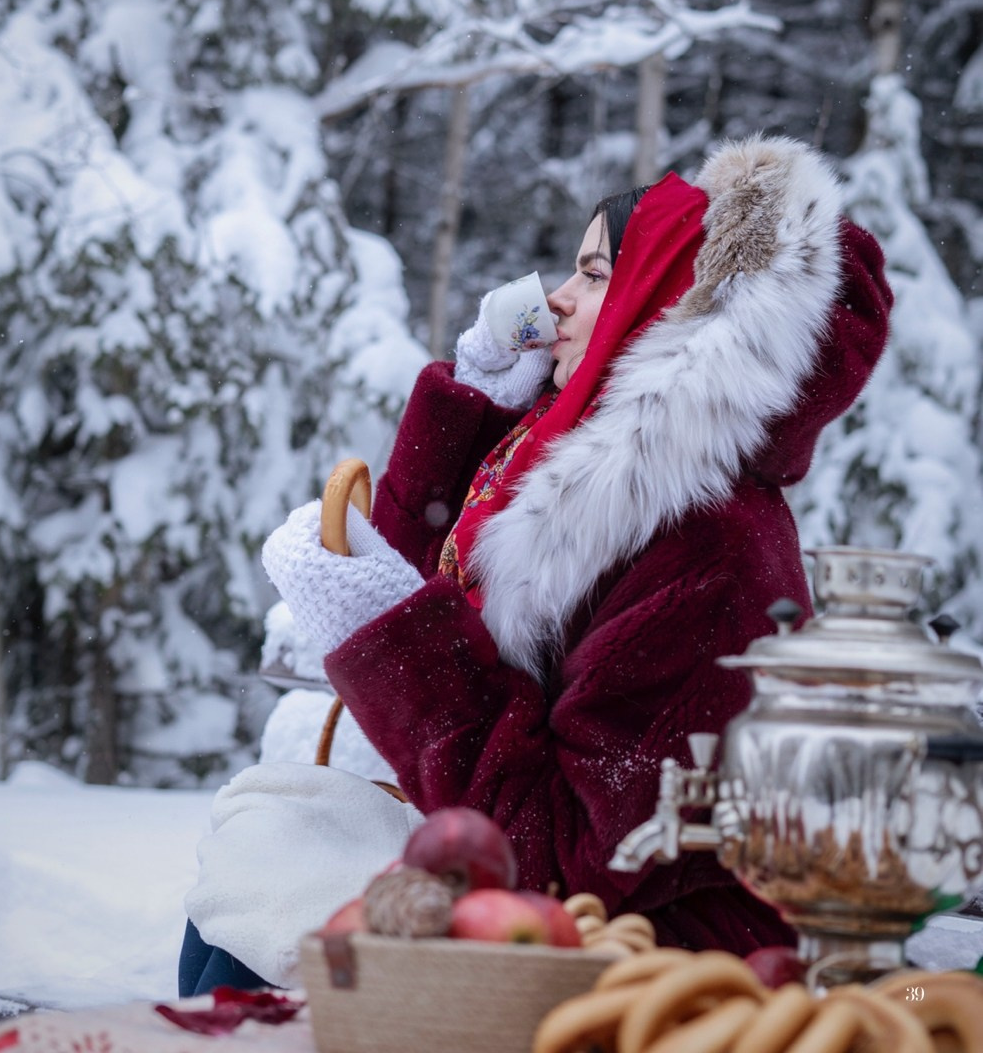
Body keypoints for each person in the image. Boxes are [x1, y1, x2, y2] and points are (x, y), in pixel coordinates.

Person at [180, 134, 892, 994]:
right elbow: (432, 567)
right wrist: (476, 396)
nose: (555, 298)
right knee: (264, 832)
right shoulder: (579, 478)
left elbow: (570, 851)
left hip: (665, 960)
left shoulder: (706, 549)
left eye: (594, 276)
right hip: (559, 884)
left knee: (255, 897)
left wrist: (384, 633)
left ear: (664, 309)